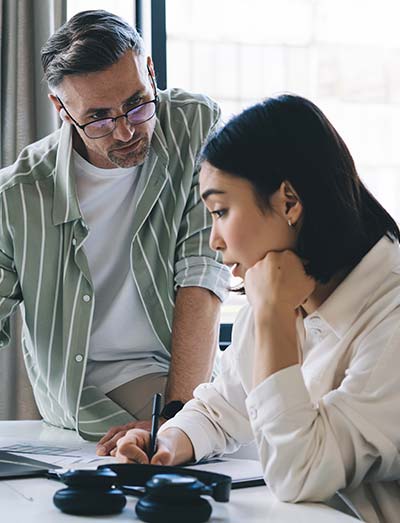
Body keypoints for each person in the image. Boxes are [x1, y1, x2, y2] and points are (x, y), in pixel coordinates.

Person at [114, 94, 400, 522]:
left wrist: (272, 319)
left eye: (221, 210)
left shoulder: (386, 318)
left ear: (289, 202)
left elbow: (298, 472)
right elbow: (220, 408)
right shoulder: (281, 290)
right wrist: (170, 441)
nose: (214, 240)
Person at [0, 10, 230, 445]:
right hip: (80, 396)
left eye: (137, 104)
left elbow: (203, 272)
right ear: (62, 109)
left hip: (181, 379)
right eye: (100, 118)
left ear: (150, 70)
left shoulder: (194, 125)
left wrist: (176, 419)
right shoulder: (17, 193)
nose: (125, 131)